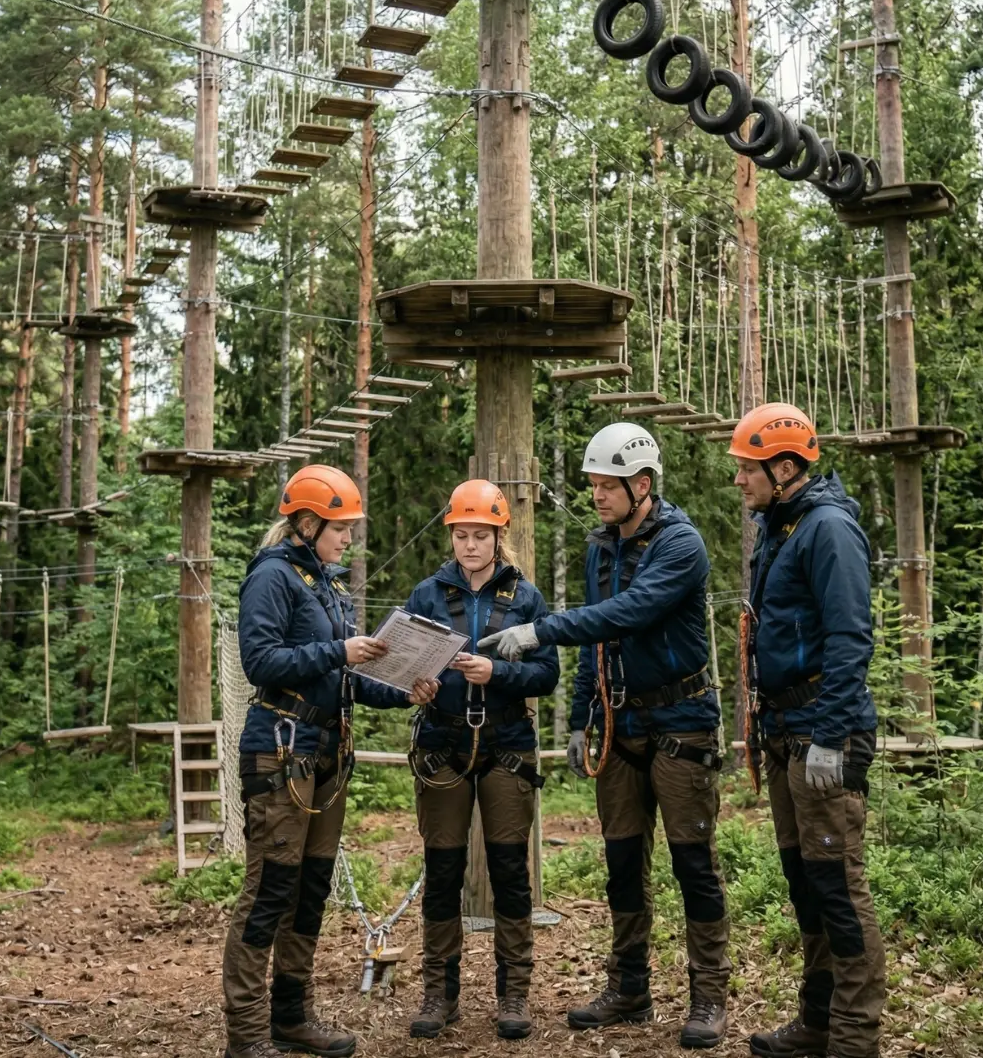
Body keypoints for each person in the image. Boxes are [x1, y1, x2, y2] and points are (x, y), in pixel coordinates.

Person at [481, 424, 730, 1049]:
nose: (595, 495)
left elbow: (632, 611)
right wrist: (581, 718)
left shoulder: (681, 543)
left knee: (691, 861)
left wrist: (541, 631)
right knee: (622, 861)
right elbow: (599, 641)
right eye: (592, 485)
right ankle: (630, 986)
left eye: (606, 486)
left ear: (641, 486)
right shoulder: (601, 548)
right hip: (619, 722)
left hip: (681, 720)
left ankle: (709, 994)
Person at [222, 465, 437, 1058]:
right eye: (340, 528)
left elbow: (346, 677)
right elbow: (260, 662)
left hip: (325, 753)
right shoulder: (272, 577)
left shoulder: (328, 585)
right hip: (281, 747)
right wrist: (338, 649)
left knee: (311, 888)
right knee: (271, 888)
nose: (348, 538)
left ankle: (291, 1017)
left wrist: (403, 690)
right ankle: (245, 1034)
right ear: (308, 522)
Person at [730, 403, 885, 1058]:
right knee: (805, 882)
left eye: (747, 469)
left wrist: (829, 733)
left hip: (825, 731)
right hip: (787, 730)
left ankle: (854, 1038)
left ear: (785, 466)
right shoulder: (782, 527)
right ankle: (818, 1020)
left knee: (838, 889)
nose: (739, 481)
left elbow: (850, 638)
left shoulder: (828, 530)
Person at [404, 480, 559, 1043]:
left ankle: (513, 993)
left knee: (509, 870)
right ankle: (438, 992)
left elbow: (548, 674)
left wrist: (499, 674)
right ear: (452, 536)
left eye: (480, 535)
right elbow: (401, 656)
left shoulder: (525, 599)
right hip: (443, 741)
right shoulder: (426, 595)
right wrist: (413, 686)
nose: (470, 545)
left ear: (499, 536)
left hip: (506, 742)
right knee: (443, 870)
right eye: (462, 535)